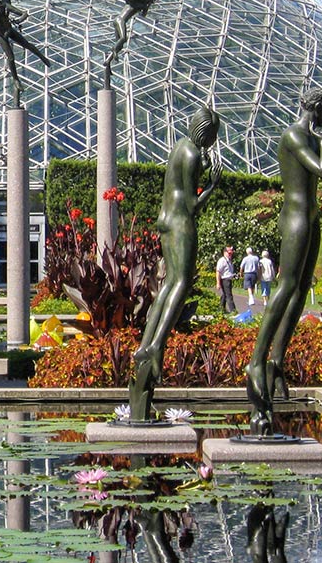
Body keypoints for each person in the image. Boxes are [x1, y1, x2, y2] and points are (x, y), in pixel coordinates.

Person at [245, 88, 322, 436]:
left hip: (311, 219)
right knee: (285, 288)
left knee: (300, 291)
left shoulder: (315, 135)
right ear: (315, 110)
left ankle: (277, 361)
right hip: (296, 218)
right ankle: (257, 362)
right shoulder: (295, 135)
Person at [128, 106, 221, 421]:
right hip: (182, 222)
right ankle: (156, 345)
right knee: (181, 283)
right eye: (211, 137)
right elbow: (192, 204)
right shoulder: (194, 155)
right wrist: (211, 185)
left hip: (164, 220)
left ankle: (146, 344)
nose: (211, 143)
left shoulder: (180, 147)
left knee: (168, 284)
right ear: (205, 133)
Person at [100, 0, 155, 89]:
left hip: (119, 21)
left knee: (120, 44)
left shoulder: (140, 4)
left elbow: (143, 15)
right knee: (123, 39)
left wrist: (147, 6)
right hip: (119, 21)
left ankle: (108, 62)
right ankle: (113, 51)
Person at [215, 246, 236, 314]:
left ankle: (221, 309)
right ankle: (233, 311)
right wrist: (218, 283)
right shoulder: (222, 260)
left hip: (228, 280)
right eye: (229, 253)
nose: (230, 254)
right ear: (224, 252)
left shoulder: (229, 260)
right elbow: (218, 272)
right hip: (225, 280)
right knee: (229, 296)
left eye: (231, 253)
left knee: (224, 295)